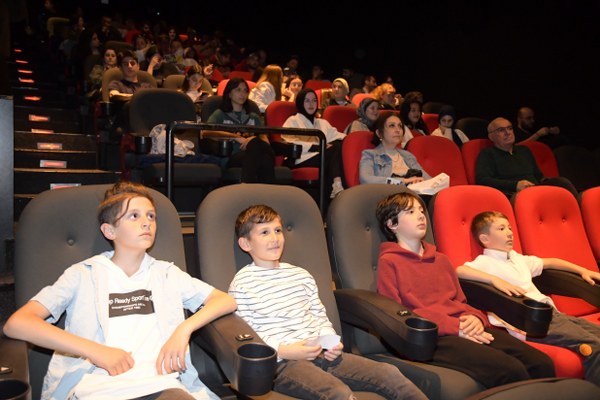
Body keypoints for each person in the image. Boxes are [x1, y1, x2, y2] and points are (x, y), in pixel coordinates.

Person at [2, 181, 237, 400]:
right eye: (134, 216)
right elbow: (18, 323)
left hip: (161, 385)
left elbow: (225, 300)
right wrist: (96, 351)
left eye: (151, 216)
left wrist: (184, 329)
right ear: (109, 231)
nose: (146, 222)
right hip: (96, 388)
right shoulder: (83, 274)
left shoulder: (167, 274)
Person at [229, 204, 428, 400]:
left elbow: (318, 315)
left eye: (278, 230)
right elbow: (247, 333)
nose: (275, 238)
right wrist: (285, 351)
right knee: (338, 392)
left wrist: (331, 342)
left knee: (389, 373)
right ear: (246, 244)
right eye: (264, 232)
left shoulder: (300, 275)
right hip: (284, 363)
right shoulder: (243, 284)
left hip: (322, 354)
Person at [375, 192, 556, 389]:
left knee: (541, 363)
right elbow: (397, 314)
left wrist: (476, 318)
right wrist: (455, 327)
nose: (420, 216)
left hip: (464, 325)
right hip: (432, 336)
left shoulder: (441, 260)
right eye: (410, 212)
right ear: (392, 224)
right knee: (509, 370)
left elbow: (460, 301)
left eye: (421, 210)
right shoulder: (389, 262)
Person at [457, 211, 600, 386]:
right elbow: (460, 271)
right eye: (501, 229)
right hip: (529, 322)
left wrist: (583, 271)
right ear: (485, 239)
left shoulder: (517, 258)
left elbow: (551, 262)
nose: (509, 233)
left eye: (510, 228)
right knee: (594, 345)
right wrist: (494, 280)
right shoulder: (485, 262)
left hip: (554, 316)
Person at [476, 117, 578, 197]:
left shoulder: (524, 150)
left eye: (510, 128)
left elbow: (539, 177)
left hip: (536, 189)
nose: (508, 133)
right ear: (491, 137)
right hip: (512, 193)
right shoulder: (487, 154)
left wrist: (549, 183)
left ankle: (580, 211)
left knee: (562, 182)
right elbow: (483, 180)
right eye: (501, 130)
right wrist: (515, 185)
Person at [206, 77, 275, 183]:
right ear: (229, 94)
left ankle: (252, 187)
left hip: (254, 155)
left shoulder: (253, 117)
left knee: (264, 156)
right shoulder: (220, 114)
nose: (242, 94)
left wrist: (253, 140)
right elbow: (206, 132)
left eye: (245, 90)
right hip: (232, 156)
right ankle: (254, 186)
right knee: (263, 156)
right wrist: (235, 137)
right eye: (238, 90)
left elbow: (266, 142)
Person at [282, 89, 346, 198]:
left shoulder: (322, 122)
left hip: (321, 156)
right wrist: (317, 147)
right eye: (307, 101)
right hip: (301, 158)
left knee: (339, 147)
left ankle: (335, 191)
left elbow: (338, 136)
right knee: (333, 151)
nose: (311, 104)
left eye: (314, 100)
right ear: (300, 103)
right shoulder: (293, 120)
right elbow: (289, 141)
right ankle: (337, 184)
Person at [359, 111, 430, 185]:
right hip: (390, 192)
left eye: (400, 126)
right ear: (379, 133)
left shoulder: (408, 156)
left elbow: (428, 179)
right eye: (392, 126)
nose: (398, 130)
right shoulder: (370, 155)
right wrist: (404, 181)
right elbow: (365, 179)